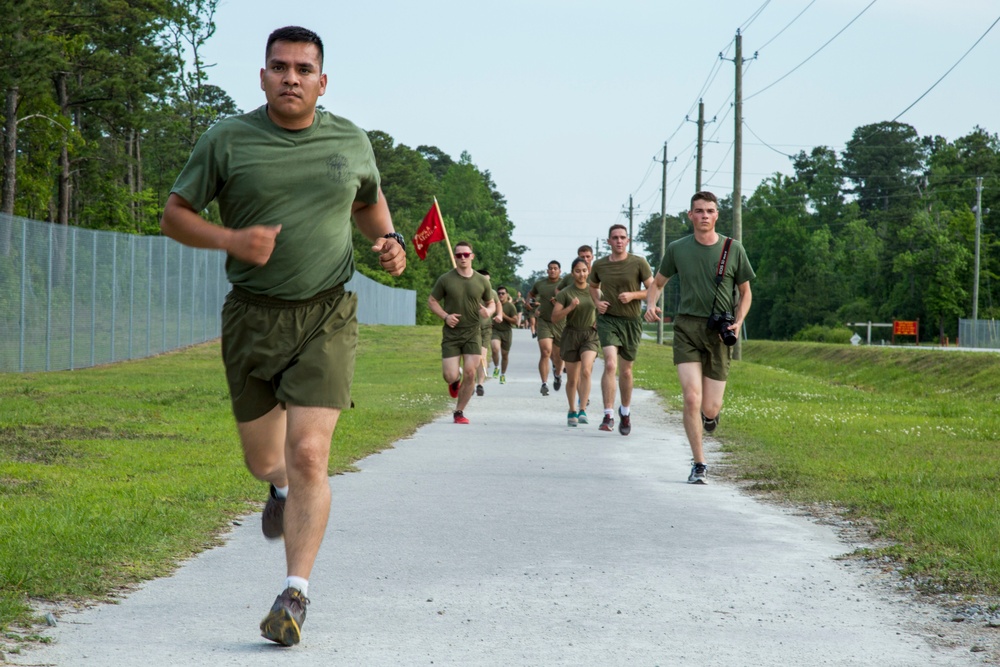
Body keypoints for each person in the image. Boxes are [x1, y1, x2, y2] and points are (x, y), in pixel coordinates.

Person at [159, 26, 406, 647]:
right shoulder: (228, 140)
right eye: (279, 67)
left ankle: (294, 593)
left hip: (327, 313)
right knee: (265, 459)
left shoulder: (351, 141)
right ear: (262, 76)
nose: (290, 77)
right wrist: (231, 240)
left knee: (310, 454)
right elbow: (174, 216)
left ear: (323, 82)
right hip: (251, 316)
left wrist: (391, 241)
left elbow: (370, 206)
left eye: (303, 68)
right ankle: (275, 489)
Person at [645, 191, 755, 484]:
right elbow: (657, 282)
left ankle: (710, 417)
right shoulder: (678, 249)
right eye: (699, 211)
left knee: (710, 407)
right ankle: (699, 463)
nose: (704, 215)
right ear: (690, 216)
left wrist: (739, 320)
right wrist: (651, 303)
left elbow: (745, 293)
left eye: (709, 210)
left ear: (717, 215)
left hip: (719, 332)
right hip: (687, 329)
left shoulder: (733, 249)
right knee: (692, 398)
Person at [589, 224, 654, 435]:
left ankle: (624, 412)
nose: (618, 241)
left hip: (631, 321)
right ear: (608, 241)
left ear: (628, 241)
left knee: (625, 371)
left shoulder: (638, 263)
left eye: (622, 237)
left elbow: (653, 289)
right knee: (610, 364)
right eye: (615, 238)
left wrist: (633, 295)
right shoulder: (599, 265)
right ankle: (607, 414)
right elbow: (592, 287)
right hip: (608, 320)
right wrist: (597, 303)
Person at [427, 242, 494, 424]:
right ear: (455, 257)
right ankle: (455, 379)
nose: (462, 258)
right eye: (459, 255)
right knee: (449, 375)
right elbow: (432, 300)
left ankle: (459, 412)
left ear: (472, 256)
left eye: (466, 254)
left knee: (471, 373)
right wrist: (445, 316)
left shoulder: (481, 280)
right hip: (452, 334)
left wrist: (489, 312)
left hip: (473, 332)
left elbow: (491, 302)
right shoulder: (446, 279)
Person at [552, 258, 599, 426]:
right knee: (572, 379)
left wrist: (599, 321)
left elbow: (604, 308)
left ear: (589, 272)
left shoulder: (595, 291)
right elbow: (555, 317)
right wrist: (570, 307)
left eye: (584, 271)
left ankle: (583, 409)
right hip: (571, 334)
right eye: (578, 271)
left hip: (590, 335)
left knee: (586, 370)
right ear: (572, 273)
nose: (582, 274)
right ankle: (571, 410)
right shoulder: (565, 293)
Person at [529, 261, 565, 396]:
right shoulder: (540, 284)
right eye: (550, 268)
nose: (552, 271)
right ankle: (544, 383)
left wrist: (559, 303)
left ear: (560, 271)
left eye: (555, 268)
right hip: (544, 321)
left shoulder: (565, 284)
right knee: (545, 352)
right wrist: (529, 303)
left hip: (561, 322)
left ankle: (557, 374)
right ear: (547, 270)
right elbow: (531, 294)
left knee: (559, 355)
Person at [475, 269, 501, 396]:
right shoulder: (471, 290)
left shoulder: (492, 292)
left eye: (488, 280)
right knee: (471, 358)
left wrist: (500, 315)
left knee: (482, 356)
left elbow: (498, 304)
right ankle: (467, 383)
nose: (486, 283)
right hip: (470, 327)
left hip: (485, 328)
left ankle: (480, 384)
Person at [490, 285, 520, 383]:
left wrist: (504, 316)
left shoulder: (510, 306)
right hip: (495, 331)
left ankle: (502, 374)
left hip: (506, 332)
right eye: (499, 293)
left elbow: (515, 321)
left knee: (505, 355)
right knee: (495, 349)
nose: (501, 295)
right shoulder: (493, 304)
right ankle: (496, 367)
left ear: (507, 295)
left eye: (503, 293)